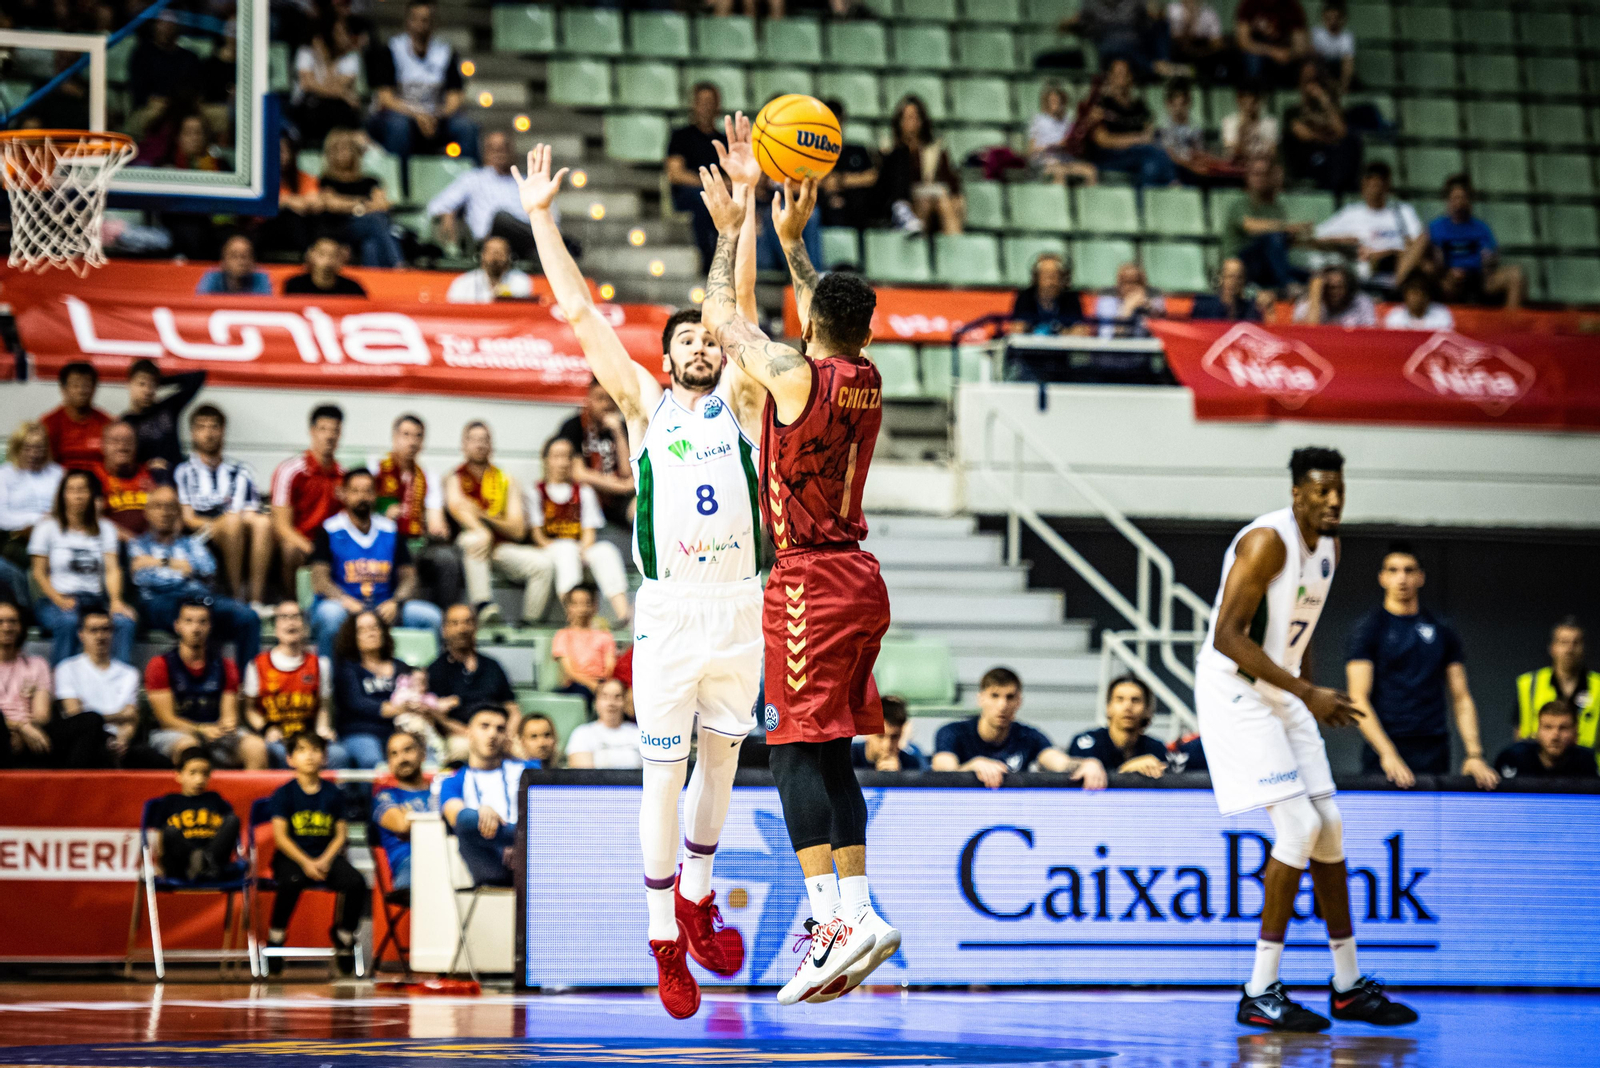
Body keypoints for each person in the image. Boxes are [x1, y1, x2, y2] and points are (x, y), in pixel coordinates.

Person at [697, 142, 904, 1007]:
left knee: (785, 750)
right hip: (862, 578)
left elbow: (719, 319)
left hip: (808, 583)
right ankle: (857, 908)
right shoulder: (866, 374)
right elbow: (828, 322)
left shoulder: (789, 373)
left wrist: (731, 231)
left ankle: (827, 922)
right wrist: (795, 246)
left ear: (815, 323)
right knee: (832, 754)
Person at [1195, 446, 1416, 1031]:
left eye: (1339, 489)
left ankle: (1347, 986)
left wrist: (1307, 695)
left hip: (1283, 689)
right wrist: (1306, 693)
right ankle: (1259, 989)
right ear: (1298, 494)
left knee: (1331, 826)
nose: (1334, 500)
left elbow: (1300, 630)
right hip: (1236, 691)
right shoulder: (1266, 542)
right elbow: (1226, 636)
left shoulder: (1331, 549)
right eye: (1321, 491)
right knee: (1299, 827)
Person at [1345, 543, 1499, 789]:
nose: (1401, 578)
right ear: (1382, 578)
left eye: (1408, 570)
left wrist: (1474, 754)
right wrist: (1387, 753)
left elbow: (1461, 697)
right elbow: (1357, 698)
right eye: (1393, 571)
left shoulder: (1441, 628)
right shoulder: (1369, 629)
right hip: (1386, 746)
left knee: (1430, 822)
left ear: (1420, 577)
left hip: (1432, 746)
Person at [309, 468, 444, 658]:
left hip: (384, 607)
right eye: (355, 491)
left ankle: (429, 683)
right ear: (344, 494)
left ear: (375, 495)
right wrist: (346, 602)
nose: (362, 497)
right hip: (345, 608)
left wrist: (396, 602)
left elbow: (409, 578)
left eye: (367, 491)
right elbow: (319, 580)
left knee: (431, 617)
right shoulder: (329, 529)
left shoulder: (390, 530)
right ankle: (329, 682)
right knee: (330, 616)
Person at [266, 731, 368, 976]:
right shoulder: (284, 794)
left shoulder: (334, 794)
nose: (309, 756)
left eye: (315, 750)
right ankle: (276, 937)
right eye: (301, 750)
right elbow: (281, 838)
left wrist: (324, 860)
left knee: (356, 883)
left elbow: (341, 834)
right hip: (292, 858)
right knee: (292, 881)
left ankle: (344, 935)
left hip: (327, 856)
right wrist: (306, 862)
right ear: (290, 759)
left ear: (324, 757)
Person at [129, 485, 263, 672]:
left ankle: (244, 684)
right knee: (193, 615)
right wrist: (177, 565)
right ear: (147, 512)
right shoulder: (137, 544)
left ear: (178, 512)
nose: (165, 512)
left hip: (199, 597)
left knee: (248, 616)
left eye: (170, 507)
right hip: (160, 601)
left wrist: (158, 563)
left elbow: (208, 571)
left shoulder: (192, 543)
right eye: (158, 507)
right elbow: (144, 577)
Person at [445, 421, 554, 626]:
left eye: (484, 440)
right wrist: (483, 529)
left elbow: (518, 530)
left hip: (499, 548)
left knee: (543, 565)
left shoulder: (506, 480)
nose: (479, 445)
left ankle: (529, 622)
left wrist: (483, 516)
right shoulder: (454, 478)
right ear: (463, 445)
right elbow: (458, 510)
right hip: (467, 546)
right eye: (474, 440)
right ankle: (483, 605)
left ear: (491, 445)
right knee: (477, 538)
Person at [364, 0, 479, 194]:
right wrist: (418, 115)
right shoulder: (392, 50)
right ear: (407, 22)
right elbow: (386, 98)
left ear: (434, 23)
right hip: (396, 116)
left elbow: (455, 97)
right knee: (399, 127)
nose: (420, 25)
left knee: (467, 128)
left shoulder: (445, 53)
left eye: (426, 20)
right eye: (416, 19)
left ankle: (471, 190)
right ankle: (399, 190)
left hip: (434, 117)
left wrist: (437, 115)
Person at [933, 668, 1107, 787]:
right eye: (994, 696)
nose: (1002, 705)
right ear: (981, 699)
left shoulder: (1029, 736)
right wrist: (973, 766)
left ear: (1019, 702)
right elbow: (943, 769)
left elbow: (1060, 763)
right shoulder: (952, 732)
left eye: (1009, 697)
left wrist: (1088, 763)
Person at [30, 470, 136, 665]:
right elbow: (38, 572)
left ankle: (119, 685)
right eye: (71, 490)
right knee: (68, 621)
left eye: (82, 490)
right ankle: (63, 685)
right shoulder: (46, 528)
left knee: (124, 622)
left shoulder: (106, 528)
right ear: (63, 495)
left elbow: (113, 569)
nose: (77, 495)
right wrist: (58, 599)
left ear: (91, 495)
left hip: (93, 601)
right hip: (54, 601)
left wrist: (115, 601)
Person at [146, 599, 267, 769]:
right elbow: (167, 720)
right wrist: (201, 729)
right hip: (174, 733)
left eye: (202, 622)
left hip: (215, 731)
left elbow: (229, 715)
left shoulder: (226, 666)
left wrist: (228, 725)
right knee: (190, 747)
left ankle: (252, 796)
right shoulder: (160, 664)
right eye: (189, 621)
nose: (196, 628)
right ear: (177, 626)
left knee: (256, 746)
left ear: (210, 626)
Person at [175, 405, 274, 614]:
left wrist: (237, 521)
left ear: (222, 431)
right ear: (193, 432)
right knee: (232, 521)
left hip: (237, 526)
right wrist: (226, 522)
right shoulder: (183, 471)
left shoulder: (240, 471)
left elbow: (250, 514)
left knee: (263, 522)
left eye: (214, 427)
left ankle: (256, 601)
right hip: (201, 533)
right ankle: (237, 598)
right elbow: (189, 518)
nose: (208, 433)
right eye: (201, 427)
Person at [530, 437, 632, 627]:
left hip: (580, 548)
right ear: (546, 460)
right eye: (556, 456)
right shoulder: (536, 492)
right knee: (566, 550)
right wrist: (562, 548)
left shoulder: (584, 492)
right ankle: (576, 618)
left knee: (605, 550)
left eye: (567, 457)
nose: (562, 462)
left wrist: (583, 551)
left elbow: (589, 532)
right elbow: (537, 535)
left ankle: (624, 616)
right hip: (551, 548)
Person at [370, 414, 463, 610]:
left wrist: (438, 528)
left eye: (417, 436)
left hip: (416, 542)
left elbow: (435, 516)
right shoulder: (375, 469)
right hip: (379, 542)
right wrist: (382, 515)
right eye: (406, 435)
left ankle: (446, 618)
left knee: (447, 558)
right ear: (394, 437)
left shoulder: (428, 477)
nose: (411, 441)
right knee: (403, 554)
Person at [245, 601, 341, 769]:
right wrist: (267, 728)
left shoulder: (320, 665)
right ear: (275, 627)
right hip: (276, 738)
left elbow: (323, 708)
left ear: (305, 626)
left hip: (309, 738)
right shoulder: (257, 665)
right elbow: (249, 709)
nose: (290, 622)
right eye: (284, 617)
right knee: (279, 753)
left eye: (296, 617)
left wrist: (323, 729)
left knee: (339, 755)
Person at [438, 705, 526, 886]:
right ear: (469, 733)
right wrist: (480, 812)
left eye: (500, 729)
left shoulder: (526, 770)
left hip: (529, 856)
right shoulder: (453, 781)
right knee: (468, 818)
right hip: (487, 859)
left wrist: (520, 844)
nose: (492, 734)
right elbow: (457, 818)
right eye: (485, 726)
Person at [429, 130, 544, 262]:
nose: (499, 152)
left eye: (503, 148)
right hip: (488, 242)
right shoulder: (473, 179)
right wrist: (448, 212)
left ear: (513, 151)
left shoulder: (525, 181)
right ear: (485, 153)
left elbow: (552, 218)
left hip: (522, 245)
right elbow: (435, 206)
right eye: (493, 149)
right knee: (501, 219)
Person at [332, 609, 425, 769]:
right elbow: (357, 703)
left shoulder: (401, 666)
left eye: (375, 628)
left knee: (424, 756)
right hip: (362, 732)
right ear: (353, 636)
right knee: (373, 762)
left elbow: (415, 693)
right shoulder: (347, 669)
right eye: (363, 630)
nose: (371, 633)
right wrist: (396, 709)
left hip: (400, 730)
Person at [271, 404, 346, 596]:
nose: (329, 436)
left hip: (330, 547)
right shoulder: (291, 470)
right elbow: (281, 526)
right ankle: (291, 604)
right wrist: (313, 549)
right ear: (312, 432)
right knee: (290, 550)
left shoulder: (343, 477)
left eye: (335, 430)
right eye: (323, 429)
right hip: (300, 543)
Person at [1312, 162, 1426, 287]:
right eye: (1371, 184)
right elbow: (1317, 236)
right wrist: (1344, 241)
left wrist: (1386, 254)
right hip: (1364, 276)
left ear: (1387, 186)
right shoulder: (1352, 213)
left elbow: (1417, 244)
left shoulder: (1403, 211)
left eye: (1378, 184)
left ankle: (1398, 284)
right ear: (1363, 185)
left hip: (1400, 273)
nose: (1375, 189)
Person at [54, 607, 142, 763]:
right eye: (93, 630)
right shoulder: (66, 669)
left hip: (117, 739)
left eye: (105, 629)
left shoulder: (130, 673)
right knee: (91, 721)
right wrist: (118, 715)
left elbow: (131, 718)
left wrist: (122, 739)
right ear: (81, 634)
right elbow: (75, 714)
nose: (100, 636)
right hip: (80, 740)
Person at [1427, 175, 1525, 311]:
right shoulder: (1435, 228)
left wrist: (1488, 261)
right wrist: (1446, 271)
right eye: (1455, 198)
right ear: (1447, 200)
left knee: (1516, 274)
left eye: (1463, 198)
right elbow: (1433, 260)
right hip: (1448, 280)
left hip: (1478, 278)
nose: (1459, 203)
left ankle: (1511, 324)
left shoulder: (1481, 228)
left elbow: (1491, 256)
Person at [428, 603, 520, 742]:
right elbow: (436, 717)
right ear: (444, 630)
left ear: (476, 627)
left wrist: (508, 734)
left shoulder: (492, 666)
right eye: (455, 623)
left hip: (498, 734)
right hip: (460, 737)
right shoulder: (435, 670)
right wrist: (471, 735)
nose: (462, 629)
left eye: (467, 622)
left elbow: (512, 708)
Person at [148, 747, 242, 882]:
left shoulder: (215, 799)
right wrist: (159, 865)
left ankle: (204, 862)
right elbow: (160, 836)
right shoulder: (169, 801)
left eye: (205, 773)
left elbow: (227, 838)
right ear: (178, 775)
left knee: (233, 820)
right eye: (192, 773)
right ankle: (196, 861)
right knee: (170, 831)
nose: (199, 779)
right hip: (180, 867)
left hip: (214, 863)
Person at [876, 96, 964, 234]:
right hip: (906, 200)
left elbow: (950, 182)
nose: (911, 122)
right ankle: (917, 244)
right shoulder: (890, 150)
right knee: (926, 203)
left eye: (915, 117)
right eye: (907, 117)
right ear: (899, 122)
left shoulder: (934, 149)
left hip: (934, 198)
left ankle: (956, 247)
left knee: (946, 203)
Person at [315, 129, 403, 268]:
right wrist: (363, 205)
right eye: (338, 150)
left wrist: (353, 206)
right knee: (375, 219)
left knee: (370, 245)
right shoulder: (326, 180)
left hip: (369, 230)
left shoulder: (371, 180)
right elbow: (332, 204)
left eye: (347, 149)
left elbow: (382, 205)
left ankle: (374, 280)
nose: (343, 154)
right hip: (341, 229)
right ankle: (398, 264)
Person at [555, 380, 637, 529]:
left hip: (617, 499)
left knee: (642, 508)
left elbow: (628, 472)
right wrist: (623, 486)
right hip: (585, 496)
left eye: (611, 399)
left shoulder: (623, 427)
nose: (606, 405)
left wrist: (618, 433)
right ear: (589, 399)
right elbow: (578, 474)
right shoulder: (575, 426)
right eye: (600, 398)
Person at [665, 82, 728, 272]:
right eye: (702, 102)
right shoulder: (681, 136)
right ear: (693, 105)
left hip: (721, 195)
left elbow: (734, 176)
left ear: (718, 106)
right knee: (703, 200)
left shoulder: (724, 140)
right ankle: (709, 262)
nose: (706, 107)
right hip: (690, 195)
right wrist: (712, 186)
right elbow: (675, 174)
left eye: (711, 102)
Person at [1086, 59, 1178, 190]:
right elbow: (1103, 140)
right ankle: (1171, 184)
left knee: (1151, 163)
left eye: (1125, 74)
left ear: (1131, 77)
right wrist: (1136, 139)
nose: (1122, 78)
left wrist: (1142, 139)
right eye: (1118, 74)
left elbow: (1149, 133)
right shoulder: (1101, 105)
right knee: (1152, 153)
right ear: (1110, 77)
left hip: (1139, 154)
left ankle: (1150, 198)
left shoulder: (1140, 107)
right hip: (1109, 156)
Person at [0, 422, 63, 609]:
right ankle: (32, 607)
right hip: (16, 537)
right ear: (17, 448)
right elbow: (2, 516)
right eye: (28, 448)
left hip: (55, 536)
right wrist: (36, 522)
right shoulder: (4, 475)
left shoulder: (57, 474)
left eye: (39, 448)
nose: (34, 453)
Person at [1226, 159, 1309, 293]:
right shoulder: (1240, 202)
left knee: (1312, 276)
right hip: (1241, 264)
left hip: (1268, 266)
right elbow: (1250, 226)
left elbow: (1282, 242)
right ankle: (1287, 283)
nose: (1260, 178)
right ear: (1247, 177)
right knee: (1273, 238)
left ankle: (1291, 283)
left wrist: (1294, 234)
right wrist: (1286, 228)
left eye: (1265, 174)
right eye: (1256, 174)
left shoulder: (1276, 207)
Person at [1515, 617, 1598, 749]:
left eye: (1576, 643)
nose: (1570, 649)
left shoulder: (1597, 686)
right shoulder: (1529, 684)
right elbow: (1519, 731)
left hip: (1589, 766)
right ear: (1552, 647)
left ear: (1584, 648)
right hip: (1540, 766)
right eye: (1564, 642)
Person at [1069, 675, 1172, 777]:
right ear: (1108, 707)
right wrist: (1130, 768)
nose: (1128, 707)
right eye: (1120, 699)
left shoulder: (1156, 749)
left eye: (1135, 700)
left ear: (1147, 710)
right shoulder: (1087, 742)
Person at [289, 14, 367, 149]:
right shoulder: (306, 53)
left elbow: (339, 85)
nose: (345, 37)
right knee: (322, 106)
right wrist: (343, 94)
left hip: (334, 108)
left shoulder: (350, 58)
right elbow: (307, 84)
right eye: (339, 33)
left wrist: (327, 62)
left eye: (345, 32)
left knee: (339, 108)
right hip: (307, 107)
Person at [1282, 65, 1361, 194]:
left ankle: (1343, 189)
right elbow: (1303, 134)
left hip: (1330, 156)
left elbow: (1341, 131)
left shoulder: (1333, 110)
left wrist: (1325, 101)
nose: (1313, 87)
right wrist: (1327, 138)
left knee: (1352, 140)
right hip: (1307, 157)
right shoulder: (1293, 111)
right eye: (1308, 81)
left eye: (1316, 81)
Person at [122, 358, 206, 478]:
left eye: (152, 385)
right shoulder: (126, 422)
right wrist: (145, 466)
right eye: (141, 384)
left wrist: (162, 380)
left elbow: (198, 377)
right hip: (148, 481)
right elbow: (124, 460)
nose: (147, 390)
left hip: (178, 477)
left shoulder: (168, 407)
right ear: (129, 384)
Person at [372, 731, 433, 890]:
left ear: (423, 754)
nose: (402, 758)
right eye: (394, 754)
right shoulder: (384, 796)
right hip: (410, 862)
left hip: (447, 857)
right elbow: (402, 825)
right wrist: (440, 822)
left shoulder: (440, 791)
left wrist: (411, 820)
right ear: (389, 763)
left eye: (408, 750)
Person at [0, 601, 57, 769]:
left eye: (12, 621)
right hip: (8, 731)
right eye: (1, 622)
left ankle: (74, 789)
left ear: (20, 626)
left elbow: (42, 715)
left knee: (90, 721)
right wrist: (19, 727)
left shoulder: (37, 664)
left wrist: (26, 729)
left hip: (32, 733)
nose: (7, 627)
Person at [818, 99, 882, 228]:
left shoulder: (857, 150)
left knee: (860, 199)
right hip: (824, 204)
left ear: (842, 121)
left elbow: (872, 176)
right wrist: (826, 183)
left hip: (854, 206)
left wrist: (841, 180)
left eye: (837, 121)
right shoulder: (813, 152)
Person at [1495, 700, 1598, 780]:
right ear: (1538, 731)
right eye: (1548, 727)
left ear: (1575, 733)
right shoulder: (1513, 758)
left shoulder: (1586, 762)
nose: (1555, 736)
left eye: (1563, 728)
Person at [550, 585, 617, 707]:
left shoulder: (605, 635)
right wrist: (592, 685)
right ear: (568, 607)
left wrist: (600, 685)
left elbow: (610, 667)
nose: (582, 608)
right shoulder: (563, 635)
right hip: (575, 685)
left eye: (587, 603)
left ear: (594, 606)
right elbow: (569, 671)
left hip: (601, 683)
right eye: (576, 603)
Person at [40, 362, 113, 473]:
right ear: (63, 389)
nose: (81, 391)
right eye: (75, 385)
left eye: (86, 385)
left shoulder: (108, 423)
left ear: (94, 388)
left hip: (100, 484)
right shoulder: (49, 424)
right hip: (63, 484)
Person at [93, 421, 156, 539]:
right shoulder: (94, 477)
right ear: (103, 446)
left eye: (128, 441)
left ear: (136, 446)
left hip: (153, 544)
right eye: (115, 441)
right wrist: (131, 541)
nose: (122, 447)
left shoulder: (151, 473)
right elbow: (93, 520)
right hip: (113, 545)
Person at [1028, 83, 1098, 185]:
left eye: (1058, 100)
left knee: (1091, 171)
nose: (1056, 103)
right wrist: (1051, 146)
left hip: (1067, 160)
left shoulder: (1068, 120)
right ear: (1046, 102)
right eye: (1052, 101)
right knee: (1059, 172)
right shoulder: (1038, 120)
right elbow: (1031, 150)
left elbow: (1074, 139)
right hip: (1046, 162)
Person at [564, 679, 643, 768]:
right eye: (605, 697)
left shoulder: (639, 734)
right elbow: (584, 776)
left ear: (625, 702)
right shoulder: (582, 734)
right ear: (596, 702)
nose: (611, 703)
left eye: (617, 697)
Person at [1234, 0, 1310, 88]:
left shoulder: (1292, 6)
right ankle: (1254, 94)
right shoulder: (1249, 4)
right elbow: (1243, 42)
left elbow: (1301, 45)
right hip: (1258, 51)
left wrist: (1289, 54)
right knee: (1252, 59)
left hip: (1284, 51)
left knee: (1307, 64)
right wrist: (1272, 52)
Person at [1010, 253, 1090, 335]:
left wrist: (1064, 331)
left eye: (1055, 276)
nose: (1050, 283)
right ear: (1036, 278)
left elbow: (1079, 329)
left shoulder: (1071, 298)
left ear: (1063, 279)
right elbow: (1017, 328)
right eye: (1046, 276)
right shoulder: (1024, 297)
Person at [446, 236, 533, 303]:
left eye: (500, 252)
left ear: (510, 257)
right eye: (491, 252)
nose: (495, 258)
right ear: (481, 256)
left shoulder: (521, 281)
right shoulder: (463, 283)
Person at [851, 695, 924, 771]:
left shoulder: (911, 763)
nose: (887, 745)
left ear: (902, 734)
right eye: (880, 736)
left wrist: (899, 777)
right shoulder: (846, 758)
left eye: (894, 737)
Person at [1093, 262, 1166, 338]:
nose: (1131, 287)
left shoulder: (1153, 297)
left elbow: (1160, 334)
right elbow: (1110, 338)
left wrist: (1150, 310)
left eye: (1136, 282)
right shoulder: (1107, 298)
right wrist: (1127, 309)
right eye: (1126, 282)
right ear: (1119, 284)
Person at [1292, 264, 1377, 326]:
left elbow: (1370, 334)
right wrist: (1315, 293)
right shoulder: (1307, 303)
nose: (1334, 291)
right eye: (1330, 287)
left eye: (1339, 286)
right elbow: (1307, 334)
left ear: (1349, 287)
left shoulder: (1361, 302)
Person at [283, 236, 369, 296]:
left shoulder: (353, 290)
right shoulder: (295, 286)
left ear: (342, 259)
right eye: (322, 254)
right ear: (310, 255)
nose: (327, 261)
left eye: (333, 255)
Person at [1191, 257, 1269, 320]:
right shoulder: (1204, 305)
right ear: (1220, 278)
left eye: (1239, 277)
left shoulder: (1251, 309)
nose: (1234, 282)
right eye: (1230, 276)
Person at [1220, 84, 1280, 165]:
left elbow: (1272, 154)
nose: (1249, 104)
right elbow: (1230, 155)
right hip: (1238, 169)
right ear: (1239, 100)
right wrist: (1242, 134)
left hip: (1262, 169)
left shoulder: (1270, 123)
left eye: (1254, 99)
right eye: (1245, 98)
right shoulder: (1229, 122)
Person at [195, 234, 273, 295]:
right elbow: (200, 302)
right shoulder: (212, 276)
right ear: (223, 262)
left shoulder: (261, 277)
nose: (240, 262)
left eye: (245, 256)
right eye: (234, 256)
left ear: (253, 261)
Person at [1310, 0, 1354, 97]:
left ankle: (1342, 90)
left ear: (1342, 19)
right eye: (1329, 18)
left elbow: (1348, 62)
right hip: (1322, 68)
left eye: (1336, 18)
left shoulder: (1346, 37)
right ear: (1323, 17)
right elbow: (1314, 59)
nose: (1332, 21)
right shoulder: (1316, 34)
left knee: (1347, 64)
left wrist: (1343, 85)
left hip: (1337, 69)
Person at [1382, 275, 1455, 331]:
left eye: (1422, 293)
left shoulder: (1442, 314)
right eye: (1414, 293)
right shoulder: (1395, 316)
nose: (1418, 298)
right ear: (1405, 296)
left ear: (1428, 296)